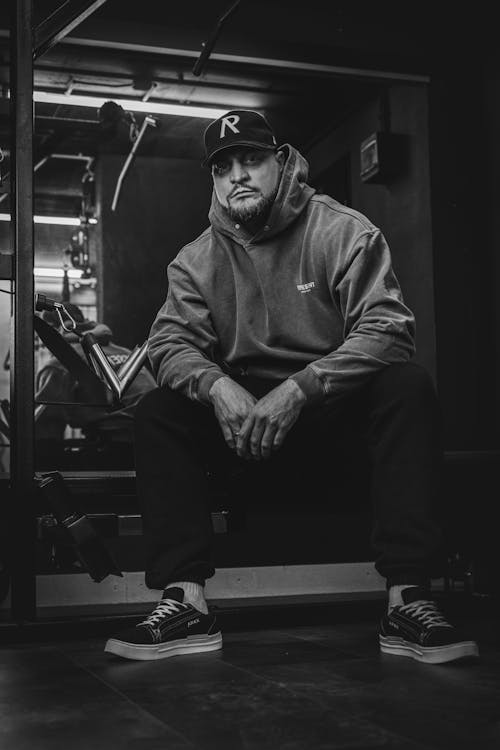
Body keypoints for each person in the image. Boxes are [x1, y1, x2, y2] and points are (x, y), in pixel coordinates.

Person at [105, 109, 479, 664]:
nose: (239, 174)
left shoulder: (342, 230)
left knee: (406, 386)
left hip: (331, 425)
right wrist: (216, 387)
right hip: (244, 436)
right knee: (161, 409)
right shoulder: (195, 261)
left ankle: (408, 600)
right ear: (213, 179)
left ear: (281, 164)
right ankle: (186, 603)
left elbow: (389, 329)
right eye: (224, 165)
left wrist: (303, 388)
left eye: (252, 159)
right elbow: (168, 345)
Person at [35, 303, 156, 469]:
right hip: (155, 446)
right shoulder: (126, 352)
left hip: (117, 450)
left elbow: (44, 430)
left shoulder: (59, 363)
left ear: (53, 328)